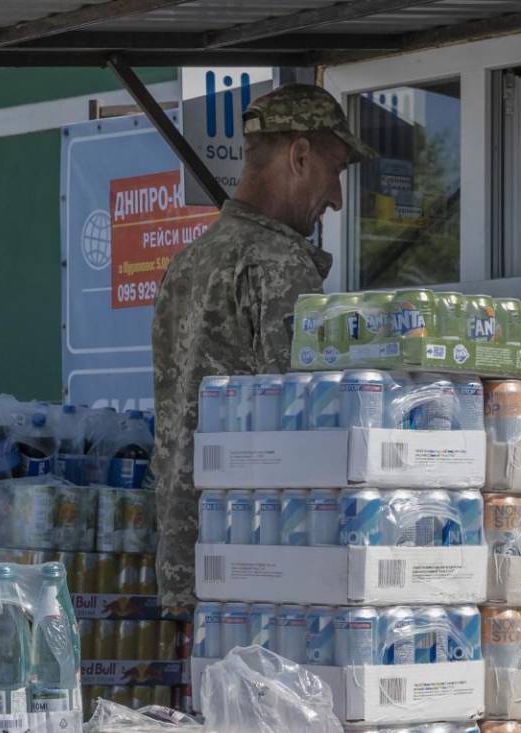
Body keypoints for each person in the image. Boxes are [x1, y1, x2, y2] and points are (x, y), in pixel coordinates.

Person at [150, 83, 375, 610]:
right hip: (260, 569)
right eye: (336, 170)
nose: (338, 199)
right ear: (300, 155)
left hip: (193, 559)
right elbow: (306, 425)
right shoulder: (277, 263)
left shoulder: (192, 259)